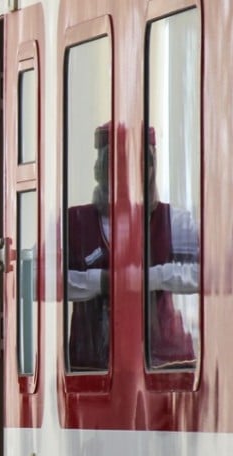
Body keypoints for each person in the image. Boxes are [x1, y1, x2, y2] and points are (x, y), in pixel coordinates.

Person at [66, 122, 198, 371]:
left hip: (166, 363)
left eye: (141, 162)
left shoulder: (174, 222)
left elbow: (213, 274)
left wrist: (153, 277)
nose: (130, 172)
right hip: (91, 368)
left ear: (152, 168)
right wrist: (100, 281)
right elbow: (35, 280)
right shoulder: (74, 223)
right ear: (100, 169)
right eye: (118, 162)